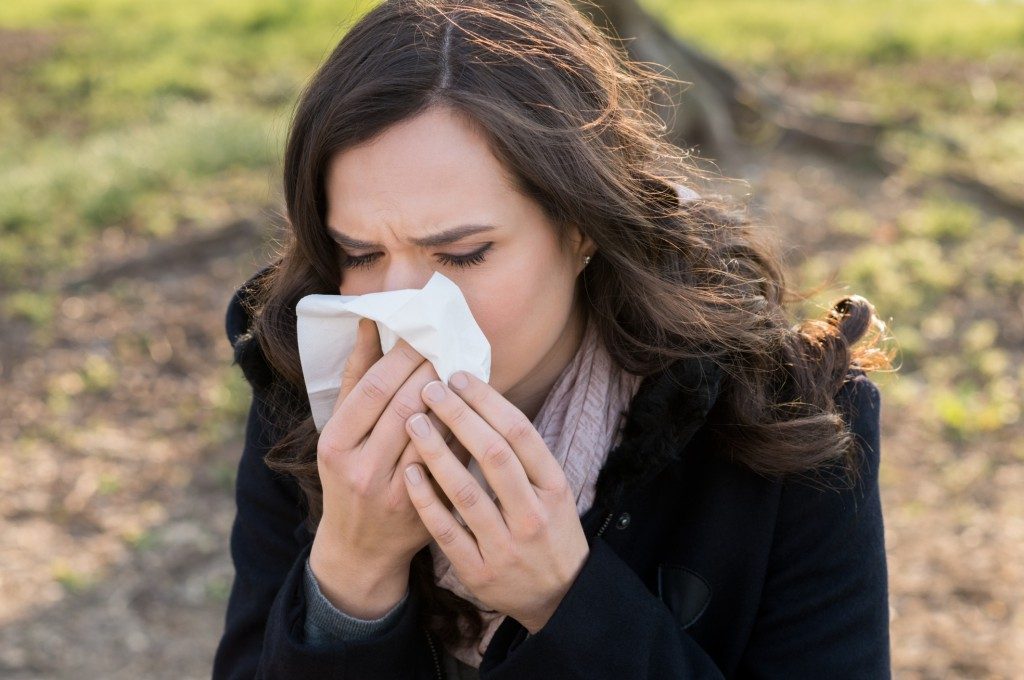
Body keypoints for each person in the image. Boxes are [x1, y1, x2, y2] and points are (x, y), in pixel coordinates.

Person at [212, 0, 894, 678]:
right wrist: (351, 577)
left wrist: (568, 603)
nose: (403, 305)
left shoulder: (787, 421)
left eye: (464, 253)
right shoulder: (305, 393)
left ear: (582, 228)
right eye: (360, 253)